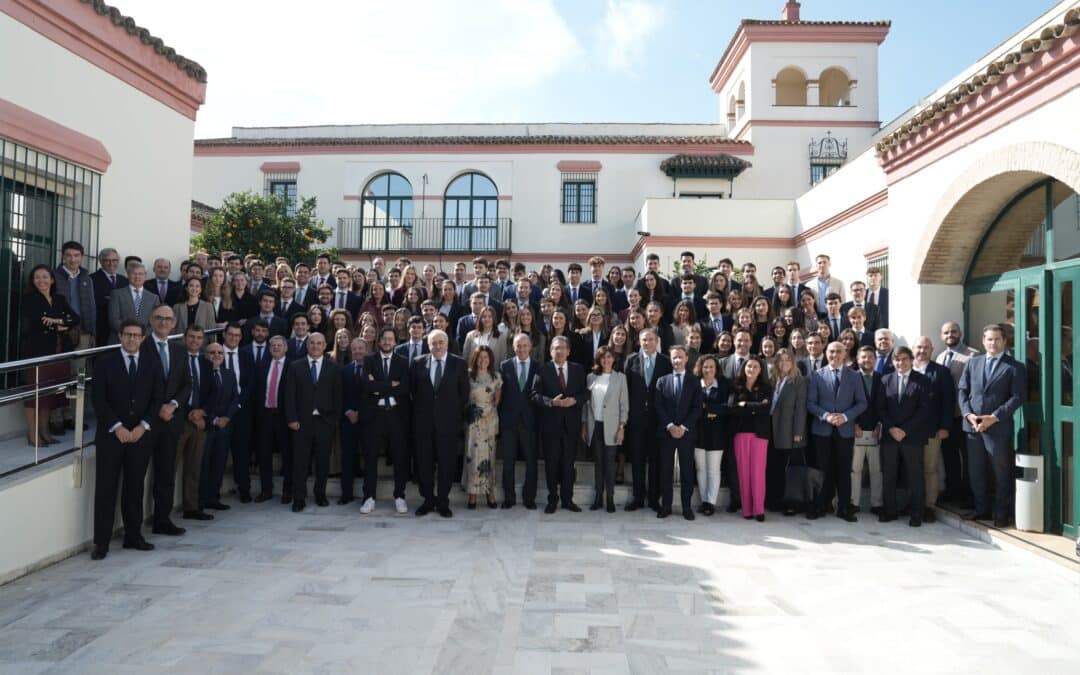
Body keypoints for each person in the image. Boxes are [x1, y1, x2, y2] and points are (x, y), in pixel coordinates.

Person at [89, 319, 164, 560]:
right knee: (105, 490)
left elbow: (157, 398)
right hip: (112, 436)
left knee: (135, 487)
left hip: (140, 436)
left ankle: (133, 536)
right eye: (128, 334)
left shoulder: (152, 363)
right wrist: (116, 426)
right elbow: (99, 399)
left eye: (136, 335)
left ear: (143, 338)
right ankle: (101, 543)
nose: (132, 339)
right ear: (120, 336)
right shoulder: (104, 363)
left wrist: (143, 426)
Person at [958, 324, 1026, 527]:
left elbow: (1017, 397)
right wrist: (968, 415)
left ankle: (1001, 513)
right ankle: (981, 509)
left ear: (1004, 341)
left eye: (997, 339)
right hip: (972, 427)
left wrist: (994, 417)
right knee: (976, 471)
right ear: (983, 341)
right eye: (989, 339)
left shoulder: (1015, 367)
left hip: (998, 427)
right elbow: (962, 390)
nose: (993, 343)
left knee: (1001, 472)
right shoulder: (973, 363)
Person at [140, 305, 191, 537]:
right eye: (159, 318)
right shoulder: (141, 346)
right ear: (151, 320)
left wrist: (173, 405)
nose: (163, 322)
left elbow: (186, 384)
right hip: (145, 422)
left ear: (174, 323)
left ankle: (162, 520)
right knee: (137, 475)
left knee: (165, 473)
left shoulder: (180, 350)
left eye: (168, 319)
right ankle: (134, 527)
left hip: (171, 420)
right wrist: (157, 407)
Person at [806, 340, 868, 522]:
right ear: (826, 353)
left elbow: (862, 403)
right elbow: (811, 403)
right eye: (831, 352)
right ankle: (819, 506)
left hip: (845, 430)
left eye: (838, 352)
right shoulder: (817, 375)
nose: (834, 355)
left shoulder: (855, 376)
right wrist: (826, 416)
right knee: (821, 471)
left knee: (843, 470)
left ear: (845, 354)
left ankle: (843, 508)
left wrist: (845, 416)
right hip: (822, 430)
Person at [410, 329, 469, 518]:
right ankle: (428, 499)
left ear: (446, 343)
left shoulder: (458, 363)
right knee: (424, 464)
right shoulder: (418, 363)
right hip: (423, 424)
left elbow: (464, 394)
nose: (437, 346)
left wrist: (452, 415)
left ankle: (443, 501)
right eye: (433, 343)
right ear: (428, 345)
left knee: (446, 464)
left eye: (440, 342)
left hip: (448, 424)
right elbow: (413, 392)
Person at [19, 265, 78, 446]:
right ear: (33, 281)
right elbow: (38, 321)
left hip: (58, 351)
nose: (41, 281)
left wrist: (58, 321)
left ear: (52, 280)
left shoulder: (59, 299)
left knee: (49, 395)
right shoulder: (30, 299)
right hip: (38, 352)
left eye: (45, 277)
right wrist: (59, 324)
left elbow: (75, 319)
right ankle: (32, 435)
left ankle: (45, 432)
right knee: (34, 395)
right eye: (37, 277)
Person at [285, 331, 342, 512]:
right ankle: (299, 498)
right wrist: (292, 418)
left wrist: (333, 420)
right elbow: (289, 396)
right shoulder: (295, 366)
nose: (316, 346)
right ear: (307, 345)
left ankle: (320, 494)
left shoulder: (333, 367)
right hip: (301, 423)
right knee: (300, 462)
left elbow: (337, 396)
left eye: (319, 343)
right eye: (312, 343)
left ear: (325, 345)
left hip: (324, 422)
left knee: (323, 462)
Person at [877, 346, 932, 527]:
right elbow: (881, 408)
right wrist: (892, 428)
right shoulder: (885, 380)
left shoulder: (923, 380)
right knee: (889, 474)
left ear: (911, 360)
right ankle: (889, 511)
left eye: (904, 359)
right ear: (893, 361)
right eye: (897, 359)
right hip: (890, 436)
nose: (900, 363)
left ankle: (917, 513)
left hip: (913, 436)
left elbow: (924, 410)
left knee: (915, 475)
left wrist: (905, 430)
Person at [532, 335, 586, 514]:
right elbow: (534, 395)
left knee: (568, 464)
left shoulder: (578, 369)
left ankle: (568, 499)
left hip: (571, 425)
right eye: (556, 348)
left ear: (569, 351)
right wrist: (552, 402)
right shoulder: (542, 369)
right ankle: (552, 500)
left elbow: (585, 393)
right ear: (550, 351)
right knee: (551, 464)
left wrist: (575, 400)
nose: (560, 351)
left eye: (563, 348)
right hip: (551, 426)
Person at [360, 327, 410, 514]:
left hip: (397, 415)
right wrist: (390, 384)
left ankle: (399, 496)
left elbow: (404, 388)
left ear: (395, 342)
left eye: (391, 339)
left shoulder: (403, 362)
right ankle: (369, 497)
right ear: (379, 341)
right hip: (374, 415)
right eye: (384, 339)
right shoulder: (369, 360)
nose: (387, 342)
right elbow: (366, 385)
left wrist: (378, 386)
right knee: (371, 457)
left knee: (399, 457)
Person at [623, 329, 671, 511]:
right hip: (636, 419)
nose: (647, 343)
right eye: (644, 340)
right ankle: (637, 497)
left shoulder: (665, 362)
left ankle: (653, 498)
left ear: (657, 341)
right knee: (637, 459)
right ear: (639, 341)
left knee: (655, 460)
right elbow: (625, 389)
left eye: (651, 339)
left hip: (658, 419)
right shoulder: (631, 360)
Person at [654, 345, 703, 520]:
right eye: (674, 357)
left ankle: (686, 507)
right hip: (666, 433)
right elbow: (658, 406)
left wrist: (682, 427)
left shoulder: (694, 381)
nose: (677, 360)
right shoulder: (662, 381)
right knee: (665, 470)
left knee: (686, 472)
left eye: (680, 357)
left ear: (686, 359)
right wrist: (670, 426)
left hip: (686, 434)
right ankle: (666, 505)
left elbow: (697, 408)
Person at [912, 336, 956, 523]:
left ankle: (929, 505)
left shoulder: (941, 372)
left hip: (932, 429)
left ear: (932, 350)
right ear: (913, 349)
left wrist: (945, 426)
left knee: (930, 469)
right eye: (919, 347)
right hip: (909, 431)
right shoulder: (903, 368)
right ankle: (914, 502)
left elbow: (948, 402)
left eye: (926, 348)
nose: (922, 351)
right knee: (912, 469)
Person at [936, 321, 979, 506]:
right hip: (947, 417)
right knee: (949, 456)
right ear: (941, 336)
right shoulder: (940, 356)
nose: (950, 335)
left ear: (960, 333)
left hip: (966, 415)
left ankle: (969, 494)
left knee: (969, 457)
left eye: (953, 332)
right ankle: (952, 490)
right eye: (946, 332)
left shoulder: (973, 355)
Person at [583, 346, 628, 513]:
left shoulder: (620, 378)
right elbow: (586, 405)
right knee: (598, 463)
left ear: (613, 359)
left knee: (609, 464)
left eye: (609, 357)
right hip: (595, 425)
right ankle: (597, 498)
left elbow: (624, 405)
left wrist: (621, 427)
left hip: (612, 427)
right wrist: (584, 425)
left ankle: (610, 498)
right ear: (598, 360)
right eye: (603, 357)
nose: (606, 360)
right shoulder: (591, 377)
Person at [499, 334, 541, 510]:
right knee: (508, 461)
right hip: (509, 421)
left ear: (530, 346)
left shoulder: (539, 366)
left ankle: (529, 498)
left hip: (530, 421)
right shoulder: (505, 365)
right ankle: (509, 498)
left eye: (525, 345)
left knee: (531, 461)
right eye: (518, 346)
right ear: (513, 347)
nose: (522, 349)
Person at [728, 356, 772, 521]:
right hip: (741, 434)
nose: (751, 369)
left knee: (758, 473)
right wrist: (756, 407)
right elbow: (732, 409)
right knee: (743, 473)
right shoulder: (736, 387)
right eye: (749, 366)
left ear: (760, 370)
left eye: (755, 367)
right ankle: (746, 510)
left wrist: (745, 405)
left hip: (760, 435)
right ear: (744, 368)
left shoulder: (766, 388)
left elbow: (766, 408)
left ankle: (759, 510)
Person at [177, 326, 212, 520]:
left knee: (194, 467)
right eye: (191, 337)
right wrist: (189, 413)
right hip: (179, 420)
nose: (195, 341)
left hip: (199, 423)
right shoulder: (176, 359)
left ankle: (191, 508)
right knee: (169, 467)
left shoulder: (206, 363)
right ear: (184, 338)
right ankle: (161, 514)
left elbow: (211, 392)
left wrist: (202, 412)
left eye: (199, 338)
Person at [199, 342, 238, 513]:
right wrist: (214, 419)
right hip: (206, 425)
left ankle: (214, 498)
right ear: (205, 355)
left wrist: (227, 417)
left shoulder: (229, 374)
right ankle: (201, 500)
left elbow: (235, 398)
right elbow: (201, 399)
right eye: (212, 352)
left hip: (224, 427)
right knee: (204, 464)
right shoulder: (201, 373)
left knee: (219, 463)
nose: (216, 356)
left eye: (220, 353)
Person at [220, 323, 256, 503]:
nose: (233, 338)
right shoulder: (216, 354)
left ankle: (244, 489)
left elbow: (250, 384)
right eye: (230, 334)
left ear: (241, 337)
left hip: (241, 412)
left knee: (242, 452)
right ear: (224, 335)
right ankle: (212, 493)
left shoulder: (246, 356)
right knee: (218, 453)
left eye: (237, 335)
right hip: (220, 412)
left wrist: (239, 404)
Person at [464, 346, 502, 509]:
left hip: (490, 421)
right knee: (473, 457)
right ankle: (472, 495)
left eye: (486, 357)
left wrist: (488, 412)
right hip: (473, 422)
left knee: (489, 458)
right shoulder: (468, 376)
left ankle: (490, 494)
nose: (483, 360)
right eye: (480, 357)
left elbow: (497, 400)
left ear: (490, 359)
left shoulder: (496, 377)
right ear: (475, 358)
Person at [253, 335, 290, 502]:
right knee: (264, 455)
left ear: (286, 348)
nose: (276, 348)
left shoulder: (293, 366)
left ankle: (287, 491)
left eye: (279, 345)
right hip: (265, 415)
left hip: (284, 416)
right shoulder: (261, 365)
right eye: (273, 345)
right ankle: (266, 490)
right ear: (269, 348)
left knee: (288, 455)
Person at [769, 349, 806, 513]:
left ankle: (791, 504)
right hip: (772, 430)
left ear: (793, 362)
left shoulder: (799, 381)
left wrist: (798, 433)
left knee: (790, 471)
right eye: (781, 360)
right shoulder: (773, 379)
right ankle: (775, 501)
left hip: (790, 431)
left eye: (787, 360)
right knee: (775, 468)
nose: (784, 363)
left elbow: (800, 409)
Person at [851, 346, 884, 516]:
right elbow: (847, 402)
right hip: (856, 430)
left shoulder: (881, 379)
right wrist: (853, 424)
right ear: (858, 359)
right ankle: (854, 502)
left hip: (875, 430)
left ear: (875, 359)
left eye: (871, 357)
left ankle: (876, 503)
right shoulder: (851, 378)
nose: (867, 360)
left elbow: (884, 404)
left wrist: (879, 425)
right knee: (855, 469)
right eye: (863, 357)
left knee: (876, 470)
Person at [693, 354, 729, 515]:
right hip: (698, 433)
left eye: (711, 367)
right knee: (701, 469)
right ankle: (703, 500)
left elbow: (727, 408)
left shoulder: (723, 385)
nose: (708, 370)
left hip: (717, 434)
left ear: (716, 369)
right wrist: (712, 410)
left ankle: (711, 502)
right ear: (700, 368)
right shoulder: (694, 385)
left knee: (714, 469)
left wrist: (706, 407)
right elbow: (693, 408)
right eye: (705, 367)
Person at [108, 262, 159, 343]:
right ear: (128, 275)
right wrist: (128, 334)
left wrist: (141, 335)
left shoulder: (153, 298)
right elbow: (114, 319)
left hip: (144, 341)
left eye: (140, 274)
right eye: (134, 274)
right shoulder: (117, 294)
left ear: (145, 276)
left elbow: (155, 321)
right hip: (120, 341)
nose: (137, 276)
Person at [90, 247, 126, 345]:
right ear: (101, 262)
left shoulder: (124, 280)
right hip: (100, 328)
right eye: (107, 261)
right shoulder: (91, 279)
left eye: (114, 260)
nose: (111, 264)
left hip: (120, 330)